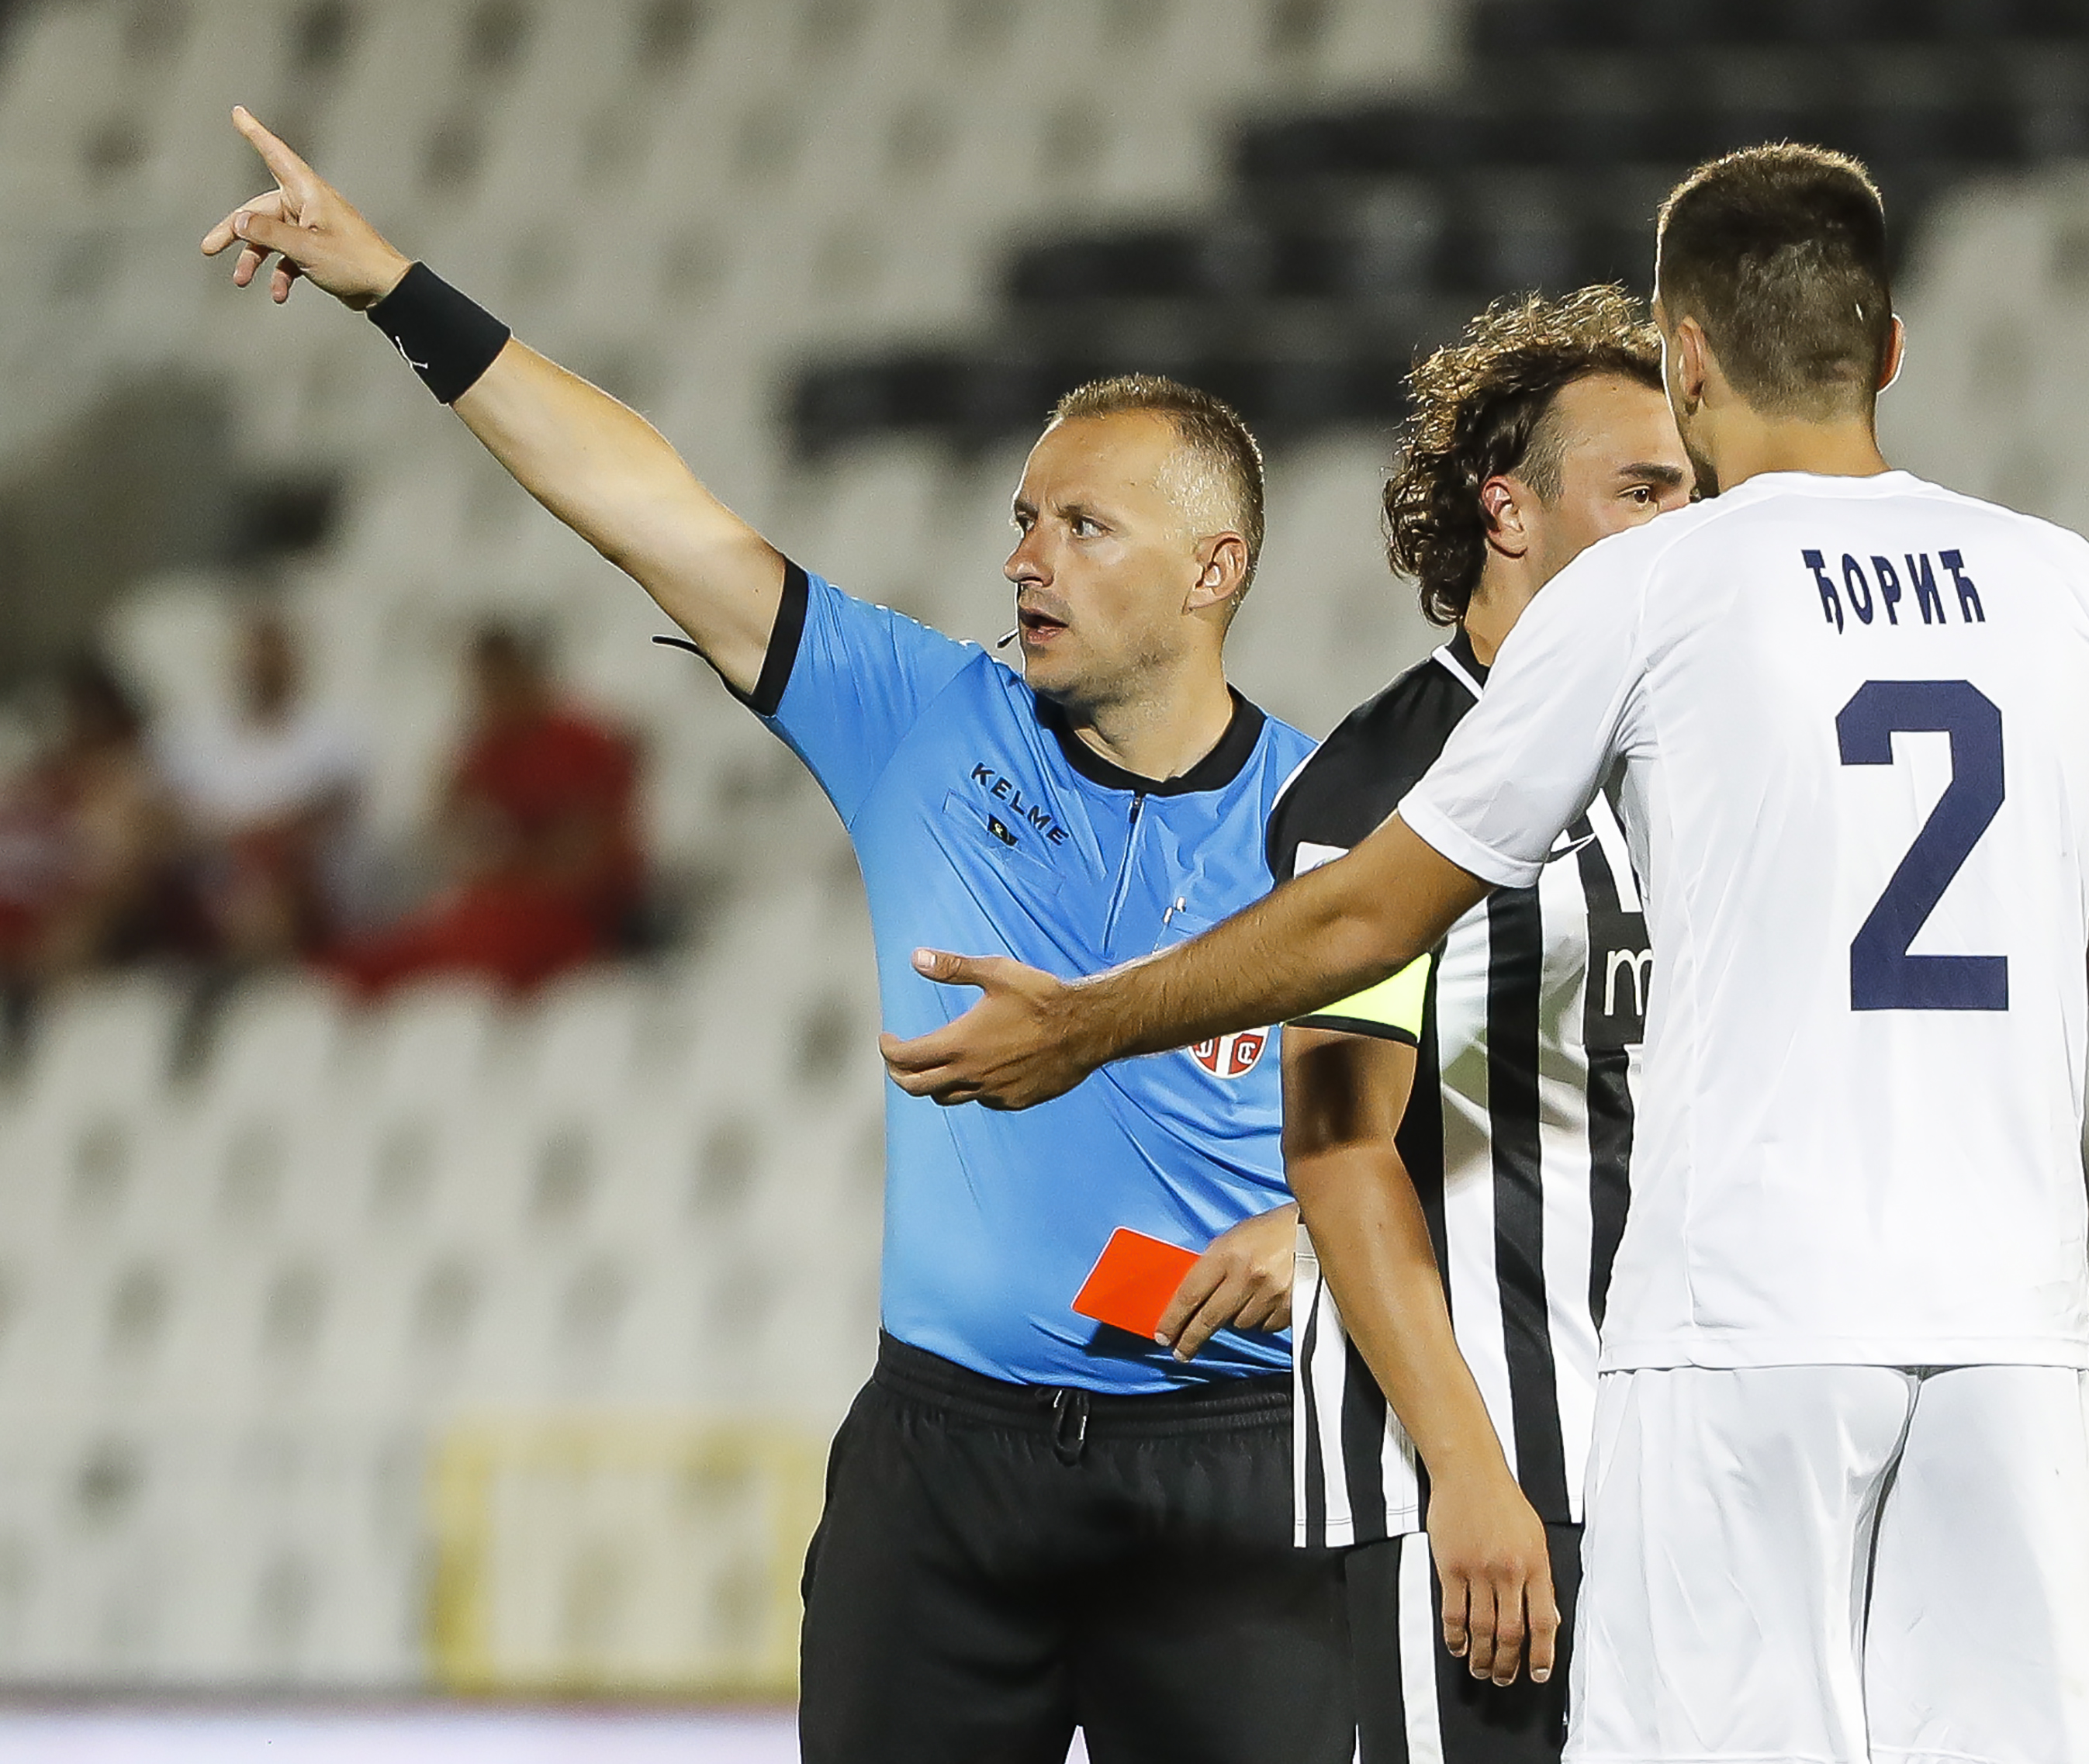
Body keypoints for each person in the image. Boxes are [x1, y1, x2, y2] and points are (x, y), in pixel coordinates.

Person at [883, 144, 2089, 1764]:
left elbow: (1367, 915)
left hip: (1738, 1339)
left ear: (1684, 355)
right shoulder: (2061, 585)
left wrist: (1091, 1023)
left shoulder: (1658, 593)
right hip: (2006, 1329)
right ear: (1887, 347)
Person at [203, 108, 1349, 1762]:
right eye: (1022, 518)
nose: (1023, 559)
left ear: (1212, 567)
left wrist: (1314, 1249)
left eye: (1081, 528)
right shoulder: (919, 717)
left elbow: (1473, 1137)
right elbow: (647, 507)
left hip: (1235, 1473)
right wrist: (394, 289)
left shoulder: (1339, 825)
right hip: (942, 1475)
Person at [1269, 288, 1688, 1758]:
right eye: (1643, 488)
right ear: (1507, 511)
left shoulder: (1686, 759)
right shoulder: (1374, 789)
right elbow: (1336, 1146)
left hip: (1678, 1458)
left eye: (1695, 489)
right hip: (1486, 1467)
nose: (1683, 521)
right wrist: (1469, 1467)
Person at [331, 621, 642, 995]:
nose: (489, 696)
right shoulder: (488, 745)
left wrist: (508, 866)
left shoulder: (584, 742)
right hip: (510, 900)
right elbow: (443, 816)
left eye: (497, 681)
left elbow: (589, 855)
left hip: (580, 912)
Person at [165, 605, 365, 964]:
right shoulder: (197, 741)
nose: (260, 665)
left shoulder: (330, 736)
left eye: (271, 654)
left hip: (291, 884)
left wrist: (251, 837)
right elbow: (169, 816)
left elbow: (326, 813)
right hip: (206, 878)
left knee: (268, 869)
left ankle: (247, 973)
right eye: (254, 654)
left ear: (291, 661)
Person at [0, 656, 173, 994]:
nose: (83, 727)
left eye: (95, 717)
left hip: (54, 928)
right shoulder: (33, 781)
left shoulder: (127, 785)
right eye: (78, 716)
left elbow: (124, 879)